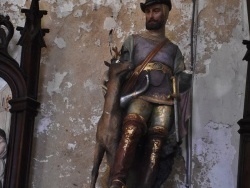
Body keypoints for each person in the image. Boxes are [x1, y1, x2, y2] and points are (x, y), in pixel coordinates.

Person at [109, 0, 191, 187]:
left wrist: (184, 81)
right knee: (131, 129)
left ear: (165, 14)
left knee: (157, 141)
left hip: (166, 100)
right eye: (147, 12)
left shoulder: (174, 49)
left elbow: (180, 77)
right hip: (140, 92)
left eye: (155, 11)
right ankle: (117, 181)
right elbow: (123, 68)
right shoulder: (134, 40)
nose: (151, 15)